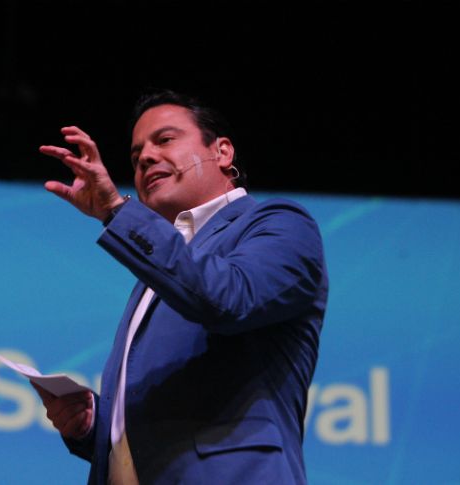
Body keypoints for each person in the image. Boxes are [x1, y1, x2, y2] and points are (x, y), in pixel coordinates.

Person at [34, 89, 328, 485]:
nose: (146, 158)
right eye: (136, 156)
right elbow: (163, 427)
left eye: (165, 140)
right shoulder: (158, 267)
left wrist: (118, 212)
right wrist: (93, 424)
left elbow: (228, 299)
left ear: (222, 152)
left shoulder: (280, 224)